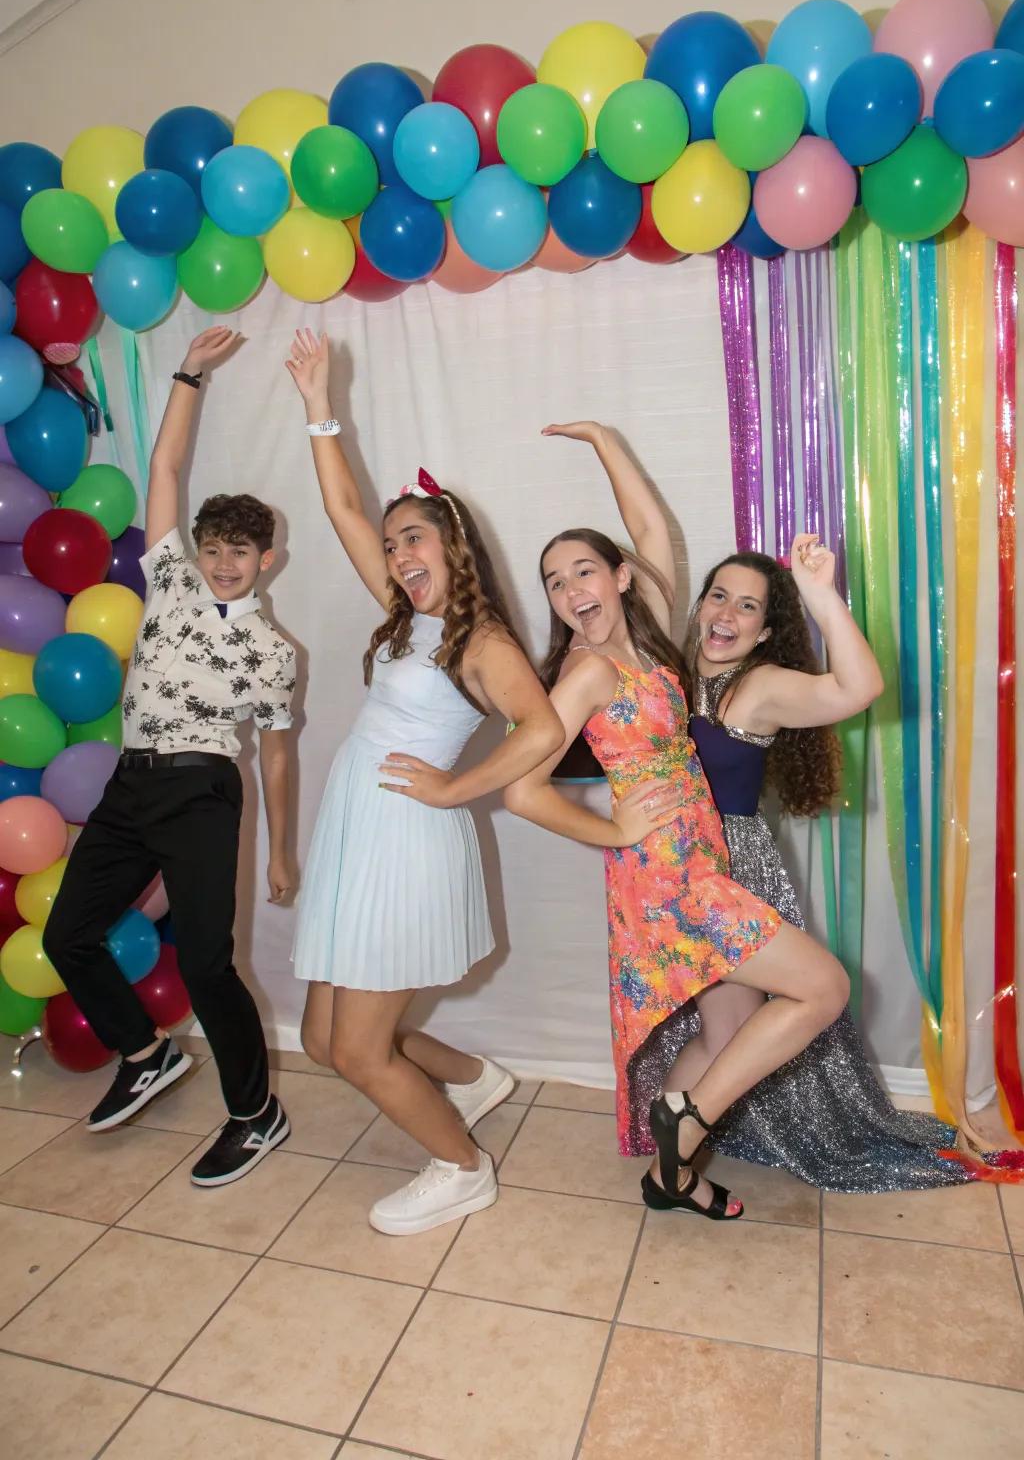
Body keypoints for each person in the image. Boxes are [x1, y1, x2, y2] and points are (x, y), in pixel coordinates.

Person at [569, 424, 981, 1191]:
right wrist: (603, 440)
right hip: (663, 867)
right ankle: (676, 1155)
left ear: (765, 628)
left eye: (748, 606)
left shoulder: (757, 689)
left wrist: (822, 596)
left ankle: (677, 1150)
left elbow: (856, 690)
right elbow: (649, 530)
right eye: (717, 595)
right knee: (723, 1032)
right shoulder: (665, 661)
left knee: (735, 1032)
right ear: (697, 606)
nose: (726, 612)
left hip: (732, 868)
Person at [504, 420, 852, 1221]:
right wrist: (616, 832)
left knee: (732, 1032)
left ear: (622, 577)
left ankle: (674, 1176)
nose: (569, 590)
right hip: (670, 877)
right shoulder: (587, 670)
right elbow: (523, 792)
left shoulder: (658, 647)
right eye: (554, 581)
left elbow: (652, 527)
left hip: (695, 865)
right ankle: (684, 1119)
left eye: (583, 571)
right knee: (823, 988)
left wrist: (602, 439)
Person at [284, 329, 563, 1236]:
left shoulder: (480, 642)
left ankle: (461, 1166)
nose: (400, 552)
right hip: (357, 834)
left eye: (416, 537)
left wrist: (454, 790)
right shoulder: (405, 618)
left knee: (360, 1050)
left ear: (454, 545)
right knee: (326, 1043)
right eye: (396, 541)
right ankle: (477, 1081)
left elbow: (545, 728)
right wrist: (318, 406)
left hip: (406, 842)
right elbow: (342, 512)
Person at [44, 327, 297, 1187]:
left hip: (202, 791)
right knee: (68, 933)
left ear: (269, 560)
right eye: (214, 548)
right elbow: (164, 473)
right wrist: (189, 374)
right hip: (130, 784)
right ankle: (145, 1054)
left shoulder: (272, 650)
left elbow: (275, 755)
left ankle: (257, 1113)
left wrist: (285, 849)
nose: (224, 563)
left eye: (241, 553)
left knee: (204, 961)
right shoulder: (176, 584)